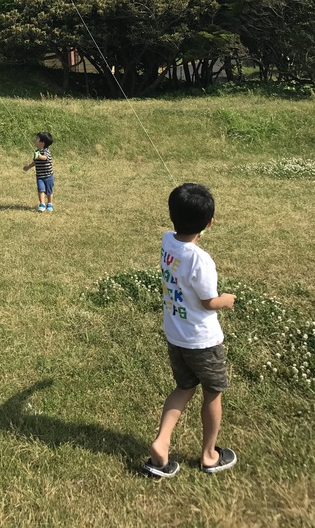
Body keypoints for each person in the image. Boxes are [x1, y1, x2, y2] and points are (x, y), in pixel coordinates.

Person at [143, 183, 237, 479]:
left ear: (171, 216)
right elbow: (209, 302)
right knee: (213, 392)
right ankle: (209, 455)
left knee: (184, 387)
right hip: (202, 341)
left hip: (176, 334)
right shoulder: (201, 260)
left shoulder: (167, 240)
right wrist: (228, 300)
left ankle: (162, 442)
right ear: (209, 223)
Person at [23, 132, 54, 212]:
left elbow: (45, 158)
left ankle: (50, 203)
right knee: (41, 190)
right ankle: (42, 204)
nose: (35, 140)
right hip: (40, 176)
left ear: (42, 142)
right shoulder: (36, 152)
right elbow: (35, 162)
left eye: (37, 139)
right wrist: (28, 167)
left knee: (49, 191)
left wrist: (39, 156)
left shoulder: (46, 151)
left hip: (48, 176)